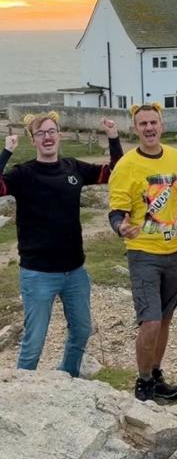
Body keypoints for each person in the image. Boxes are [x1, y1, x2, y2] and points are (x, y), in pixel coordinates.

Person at [0, 111, 122, 376]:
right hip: (37, 274)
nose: (47, 137)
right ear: (32, 139)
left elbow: (114, 172)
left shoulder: (73, 168)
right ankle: (22, 394)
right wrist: (6, 153)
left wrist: (113, 137)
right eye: (40, 133)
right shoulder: (24, 173)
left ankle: (66, 377)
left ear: (59, 135)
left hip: (74, 272)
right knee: (34, 342)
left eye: (51, 131)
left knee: (81, 330)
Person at [108, 103, 177, 403]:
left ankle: (156, 375)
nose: (149, 128)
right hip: (143, 254)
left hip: (176, 251)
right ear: (135, 129)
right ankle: (142, 384)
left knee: (165, 320)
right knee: (150, 321)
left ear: (162, 125)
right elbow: (116, 212)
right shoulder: (126, 166)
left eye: (154, 122)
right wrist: (120, 227)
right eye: (143, 124)